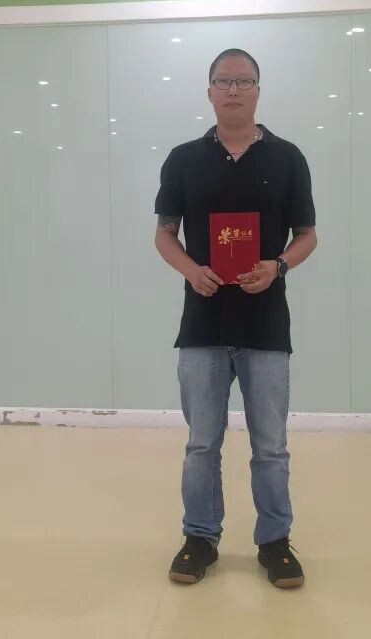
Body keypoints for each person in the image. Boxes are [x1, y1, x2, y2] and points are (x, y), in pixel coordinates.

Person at [153, 48, 318, 589]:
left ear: (258, 91)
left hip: (266, 326)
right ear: (209, 91)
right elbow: (164, 234)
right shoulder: (183, 159)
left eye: (243, 81)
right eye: (223, 81)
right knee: (202, 443)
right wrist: (190, 270)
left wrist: (278, 266)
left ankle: (275, 541)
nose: (233, 90)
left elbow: (307, 235)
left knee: (270, 445)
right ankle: (200, 538)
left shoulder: (288, 158)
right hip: (201, 324)